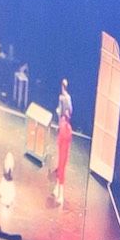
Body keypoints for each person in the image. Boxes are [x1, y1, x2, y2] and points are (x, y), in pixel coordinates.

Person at [51, 80, 73, 210]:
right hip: (63, 132)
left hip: (64, 133)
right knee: (60, 164)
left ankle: (61, 194)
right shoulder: (66, 99)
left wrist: (61, 111)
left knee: (62, 165)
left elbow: (65, 112)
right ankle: (57, 188)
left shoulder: (64, 99)